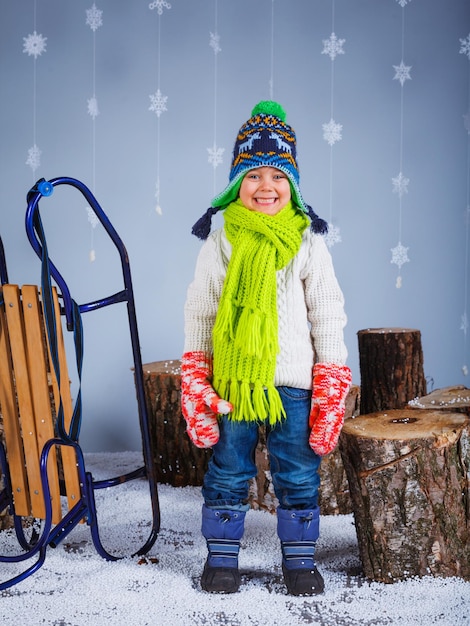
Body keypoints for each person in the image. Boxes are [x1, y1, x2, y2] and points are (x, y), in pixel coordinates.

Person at [181, 101, 351, 596]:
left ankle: (299, 562)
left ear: (292, 185)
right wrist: (196, 375)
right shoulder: (220, 243)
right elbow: (202, 311)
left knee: (297, 471)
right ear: (237, 184)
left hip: (294, 385)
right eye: (252, 175)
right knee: (229, 468)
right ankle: (222, 559)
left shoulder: (307, 243)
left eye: (277, 175)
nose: (265, 186)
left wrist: (331, 380)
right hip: (234, 383)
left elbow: (328, 312)